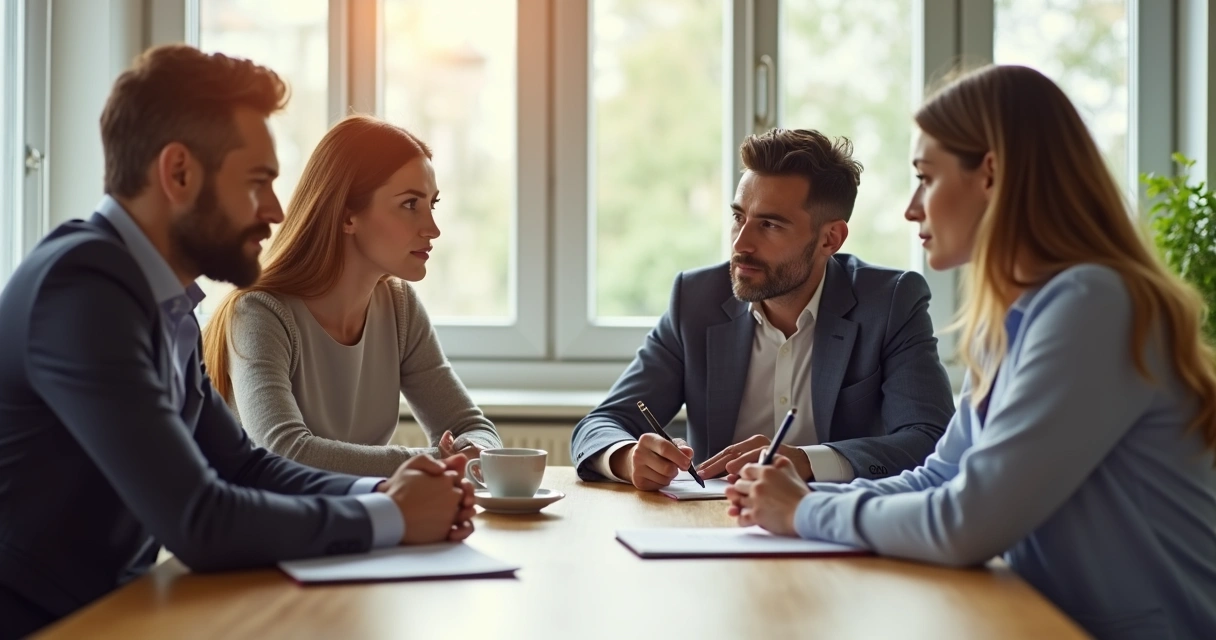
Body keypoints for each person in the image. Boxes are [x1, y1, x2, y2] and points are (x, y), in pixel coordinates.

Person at [0, 45, 475, 639]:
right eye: (257, 183)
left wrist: (385, 489)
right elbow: (198, 519)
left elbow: (242, 465)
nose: (275, 211)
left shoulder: (167, 303)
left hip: (113, 615)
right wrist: (391, 515)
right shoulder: (82, 289)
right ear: (179, 173)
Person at [729, 65, 1216, 639]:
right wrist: (800, 495)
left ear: (990, 174)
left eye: (925, 178)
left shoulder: (1095, 305)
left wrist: (804, 511)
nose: (912, 208)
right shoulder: (1010, 318)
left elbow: (967, 522)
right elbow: (941, 476)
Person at [570, 128, 954, 491]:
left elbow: (930, 439)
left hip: (835, 521)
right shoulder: (696, 300)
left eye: (769, 225)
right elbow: (601, 424)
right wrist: (627, 457)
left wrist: (807, 461)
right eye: (739, 217)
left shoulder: (889, 303)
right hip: (711, 521)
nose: (741, 244)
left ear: (830, 239)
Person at [201, 115, 503, 477]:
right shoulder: (259, 314)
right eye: (410, 204)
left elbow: (472, 425)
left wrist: (474, 450)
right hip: (263, 514)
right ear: (347, 217)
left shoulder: (399, 307)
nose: (433, 228)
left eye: (432, 205)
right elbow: (284, 452)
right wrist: (435, 461)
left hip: (353, 510)